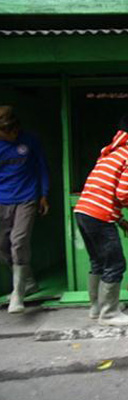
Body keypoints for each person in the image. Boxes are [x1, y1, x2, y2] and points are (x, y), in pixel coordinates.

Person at [74, 113, 128, 327]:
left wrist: (120, 220)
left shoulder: (109, 154)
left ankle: (98, 307)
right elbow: (124, 194)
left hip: (82, 211)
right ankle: (109, 314)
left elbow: (106, 194)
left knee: (98, 262)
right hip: (98, 215)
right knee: (115, 264)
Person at [0, 106, 50, 314]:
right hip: (2, 199)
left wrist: (44, 194)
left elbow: (42, 167)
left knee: (18, 240)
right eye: (6, 133)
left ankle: (17, 293)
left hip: (27, 197)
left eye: (13, 132)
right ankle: (28, 282)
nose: (11, 136)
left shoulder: (30, 139)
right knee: (3, 245)